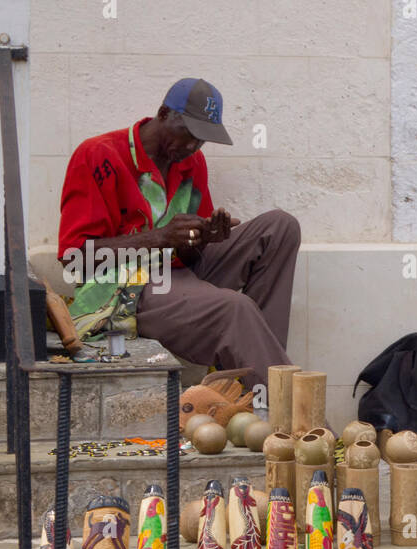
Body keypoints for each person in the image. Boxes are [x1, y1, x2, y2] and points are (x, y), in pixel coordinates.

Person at [57, 77, 299, 390]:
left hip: (180, 272)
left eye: (202, 140)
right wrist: (159, 238)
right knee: (235, 308)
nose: (192, 147)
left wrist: (204, 238)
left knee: (281, 226)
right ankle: (285, 409)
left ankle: (259, 373)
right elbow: (74, 261)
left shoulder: (190, 160)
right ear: (162, 114)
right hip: (127, 287)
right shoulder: (98, 155)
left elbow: (186, 251)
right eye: (188, 133)